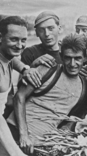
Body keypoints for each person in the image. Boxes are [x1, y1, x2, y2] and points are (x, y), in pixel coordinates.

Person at [7, 33, 87, 155]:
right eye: (68, 57)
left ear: (85, 58)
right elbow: (19, 96)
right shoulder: (48, 70)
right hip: (15, 134)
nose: (72, 64)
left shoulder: (83, 86)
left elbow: (70, 120)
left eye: (77, 58)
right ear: (61, 56)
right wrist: (24, 135)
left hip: (41, 146)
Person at [0, 16, 27, 156]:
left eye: (23, 40)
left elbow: (14, 60)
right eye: (14, 39)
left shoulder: (8, 59)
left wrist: (24, 69)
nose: (20, 45)